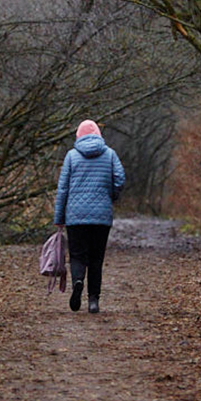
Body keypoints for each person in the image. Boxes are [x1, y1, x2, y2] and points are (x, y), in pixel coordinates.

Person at [53, 120, 125, 314]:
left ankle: (78, 281)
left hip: (75, 216)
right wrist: (111, 195)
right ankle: (93, 300)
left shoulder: (71, 156)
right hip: (101, 217)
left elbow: (63, 189)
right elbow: (120, 178)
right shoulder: (110, 154)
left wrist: (59, 217)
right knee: (96, 259)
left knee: (77, 255)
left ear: (78, 135)